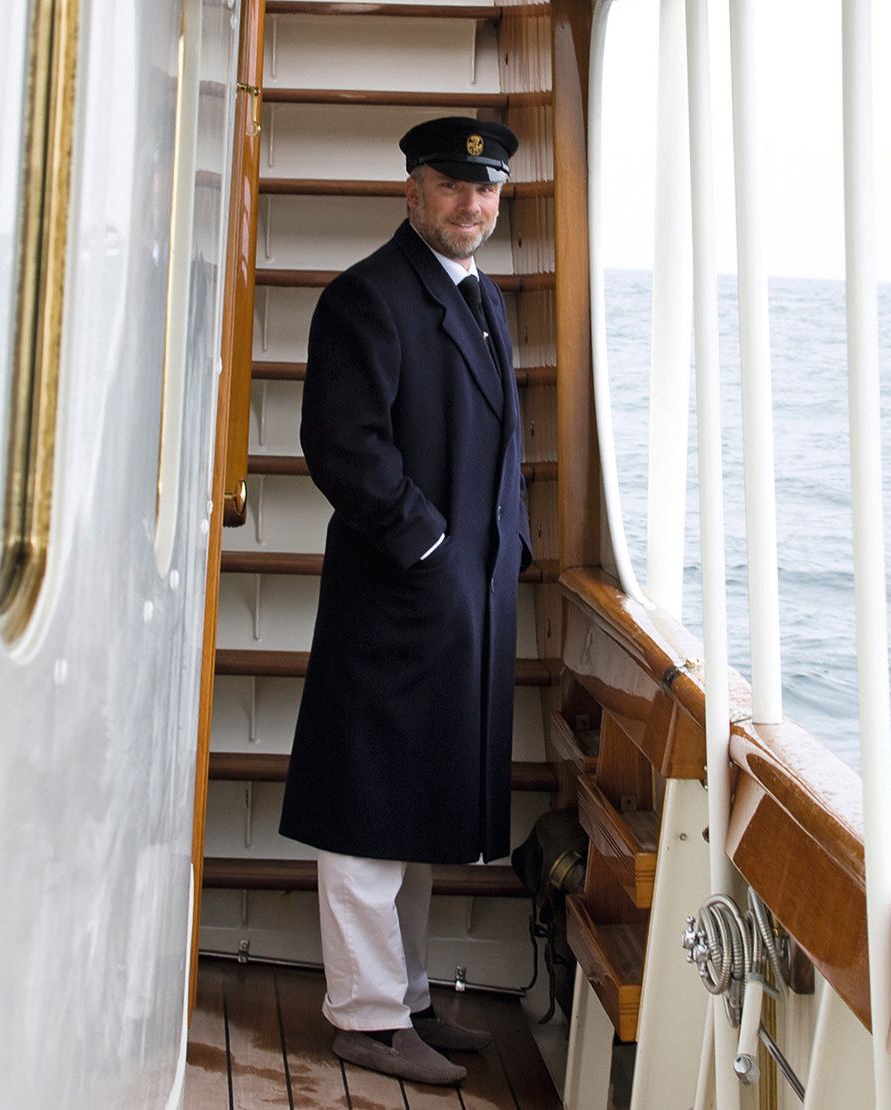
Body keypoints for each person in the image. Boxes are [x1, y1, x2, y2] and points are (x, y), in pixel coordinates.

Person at [279, 116, 531, 1086]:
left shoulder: (485, 298)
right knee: (365, 810)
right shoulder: (364, 299)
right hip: (395, 596)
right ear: (412, 192)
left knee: (421, 803)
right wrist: (428, 546)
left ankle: (409, 995)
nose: (473, 204)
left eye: (488, 189)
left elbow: (504, 442)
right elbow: (343, 448)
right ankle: (366, 1017)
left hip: (467, 599)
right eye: (452, 186)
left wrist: (509, 545)